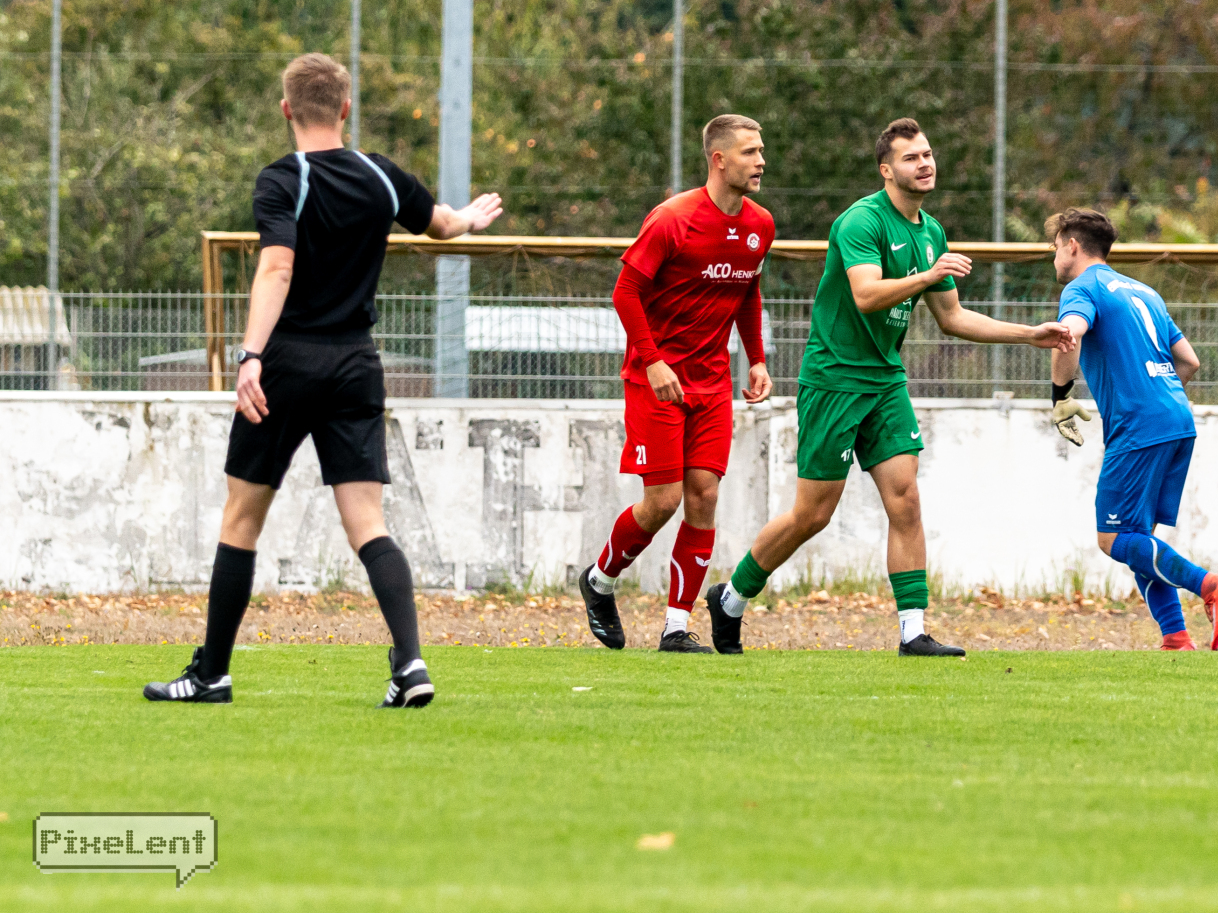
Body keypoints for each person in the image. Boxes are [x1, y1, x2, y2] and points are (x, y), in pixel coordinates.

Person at [143, 53, 505, 706]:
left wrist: (250, 356)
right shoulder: (381, 175)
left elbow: (277, 267)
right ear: (345, 107)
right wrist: (467, 219)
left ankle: (212, 674)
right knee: (368, 522)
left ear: (287, 109)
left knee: (241, 518)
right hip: (356, 365)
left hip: (286, 363)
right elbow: (442, 225)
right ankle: (411, 664)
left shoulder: (284, 178)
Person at [704, 118, 1074, 656]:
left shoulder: (931, 232)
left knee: (906, 499)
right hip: (835, 379)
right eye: (911, 158)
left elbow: (952, 317)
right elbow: (866, 295)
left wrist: (1029, 335)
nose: (924, 164)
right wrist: (926, 276)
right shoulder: (862, 220)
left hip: (885, 379)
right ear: (886, 170)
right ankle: (732, 597)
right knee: (813, 514)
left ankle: (913, 631)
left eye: (927, 155)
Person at [576, 115, 775, 653]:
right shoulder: (673, 219)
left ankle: (676, 627)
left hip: (711, 383)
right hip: (656, 380)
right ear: (719, 160)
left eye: (761, 151)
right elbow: (625, 292)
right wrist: (653, 361)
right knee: (661, 501)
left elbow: (748, 292)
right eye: (750, 152)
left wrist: (756, 359)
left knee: (704, 496)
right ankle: (600, 581)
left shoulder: (760, 224)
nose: (761, 161)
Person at [1043, 207, 1218, 651]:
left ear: (1072, 246)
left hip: (1139, 425)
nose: (1054, 257)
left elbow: (1067, 335)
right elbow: (1189, 361)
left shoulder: (1083, 288)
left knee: (1113, 538)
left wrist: (1061, 396)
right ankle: (1175, 637)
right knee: (1137, 536)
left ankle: (1210, 584)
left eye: (1055, 248)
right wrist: (1160, 397)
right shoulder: (1145, 292)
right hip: (1176, 417)